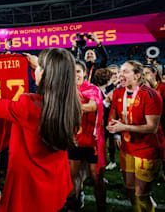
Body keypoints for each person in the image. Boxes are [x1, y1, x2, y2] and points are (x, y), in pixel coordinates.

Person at [0, 48, 81, 212]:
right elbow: (59, 87)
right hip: (56, 180)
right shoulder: (74, 105)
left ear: (42, 74)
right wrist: (40, 67)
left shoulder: (29, 105)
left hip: (29, 184)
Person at [107, 60, 163, 212]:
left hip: (147, 149)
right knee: (130, 189)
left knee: (142, 193)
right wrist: (114, 128)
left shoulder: (150, 95)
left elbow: (152, 128)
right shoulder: (118, 92)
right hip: (127, 148)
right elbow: (113, 116)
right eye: (120, 71)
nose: (120, 75)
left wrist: (123, 127)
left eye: (125, 71)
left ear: (137, 76)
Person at [67, 61, 106, 212]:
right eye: (72, 71)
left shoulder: (92, 89)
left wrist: (70, 104)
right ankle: (72, 207)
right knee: (72, 176)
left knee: (96, 179)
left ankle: (101, 207)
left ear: (84, 73)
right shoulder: (66, 89)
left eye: (77, 71)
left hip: (93, 142)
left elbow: (92, 106)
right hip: (74, 140)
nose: (75, 74)